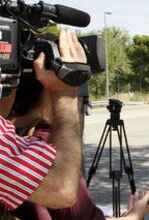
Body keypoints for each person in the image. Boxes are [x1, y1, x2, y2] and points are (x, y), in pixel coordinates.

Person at [10, 41, 149, 220]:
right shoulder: (49, 146)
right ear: (49, 85)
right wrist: (134, 216)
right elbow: (74, 206)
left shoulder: (8, 139)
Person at [0, 30, 85, 216]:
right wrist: (66, 93)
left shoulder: (12, 138)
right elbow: (62, 189)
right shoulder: (44, 139)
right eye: (10, 77)